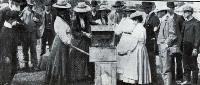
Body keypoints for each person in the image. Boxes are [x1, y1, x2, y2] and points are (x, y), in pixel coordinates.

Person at [116, 11, 151, 85]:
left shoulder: (137, 29)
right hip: (142, 48)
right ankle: (141, 79)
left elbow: (134, 42)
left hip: (137, 49)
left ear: (137, 20)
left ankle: (136, 80)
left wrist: (128, 50)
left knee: (134, 66)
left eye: (134, 20)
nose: (133, 22)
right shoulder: (142, 28)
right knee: (140, 65)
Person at [45, 0, 72, 84]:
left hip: (63, 43)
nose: (63, 12)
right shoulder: (58, 20)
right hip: (60, 43)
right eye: (61, 10)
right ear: (58, 10)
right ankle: (59, 81)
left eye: (64, 10)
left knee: (64, 61)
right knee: (59, 62)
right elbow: (62, 34)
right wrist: (68, 42)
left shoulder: (64, 19)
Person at [0, 0, 23, 84]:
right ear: (11, 2)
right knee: (6, 61)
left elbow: (21, 23)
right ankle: (4, 80)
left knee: (13, 61)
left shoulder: (16, 11)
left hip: (13, 40)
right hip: (4, 40)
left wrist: (17, 23)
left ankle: (9, 80)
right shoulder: (3, 11)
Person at [70, 2, 94, 84]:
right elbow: (74, 32)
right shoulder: (74, 20)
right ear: (78, 12)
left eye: (84, 13)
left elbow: (91, 23)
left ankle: (84, 75)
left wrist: (98, 24)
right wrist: (83, 33)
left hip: (85, 41)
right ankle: (76, 77)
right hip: (77, 41)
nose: (82, 14)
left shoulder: (86, 18)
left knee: (85, 58)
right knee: (77, 58)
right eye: (81, 13)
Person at [156, 6, 177, 85]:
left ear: (163, 12)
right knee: (162, 68)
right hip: (161, 46)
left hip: (165, 47)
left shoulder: (169, 20)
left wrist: (166, 44)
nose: (157, 13)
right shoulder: (162, 20)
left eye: (158, 12)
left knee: (166, 69)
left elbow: (173, 35)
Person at [20, 0, 42, 71]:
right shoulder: (23, 12)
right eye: (29, 5)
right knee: (25, 50)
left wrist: (37, 21)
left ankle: (34, 65)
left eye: (32, 5)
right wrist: (21, 21)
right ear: (27, 5)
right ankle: (26, 65)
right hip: (25, 34)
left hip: (33, 34)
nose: (31, 6)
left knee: (33, 50)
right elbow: (19, 21)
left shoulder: (35, 13)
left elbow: (40, 23)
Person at [180, 6, 200, 85]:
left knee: (193, 65)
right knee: (185, 64)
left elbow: (198, 37)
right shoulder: (185, 22)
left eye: (184, 12)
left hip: (192, 47)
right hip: (185, 46)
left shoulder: (196, 22)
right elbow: (182, 35)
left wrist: (195, 48)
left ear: (189, 12)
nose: (183, 14)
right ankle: (187, 80)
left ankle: (194, 82)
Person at [141, 2, 160, 85]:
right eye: (144, 8)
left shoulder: (154, 18)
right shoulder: (148, 17)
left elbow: (156, 32)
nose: (145, 10)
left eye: (146, 8)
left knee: (152, 63)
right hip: (147, 43)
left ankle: (154, 81)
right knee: (148, 62)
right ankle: (150, 80)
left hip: (151, 44)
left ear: (149, 8)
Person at [166, 2, 184, 83]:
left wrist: (180, 41)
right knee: (171, 62)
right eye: (168, 8)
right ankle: (172, 78)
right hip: (169, 44)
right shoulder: (165, 18)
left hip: (178, 44)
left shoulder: (179, 18)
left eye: (171, 8)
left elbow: (182, 30)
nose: (170, 9)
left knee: (179, 61)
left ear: (173, 8)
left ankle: (179, 78)